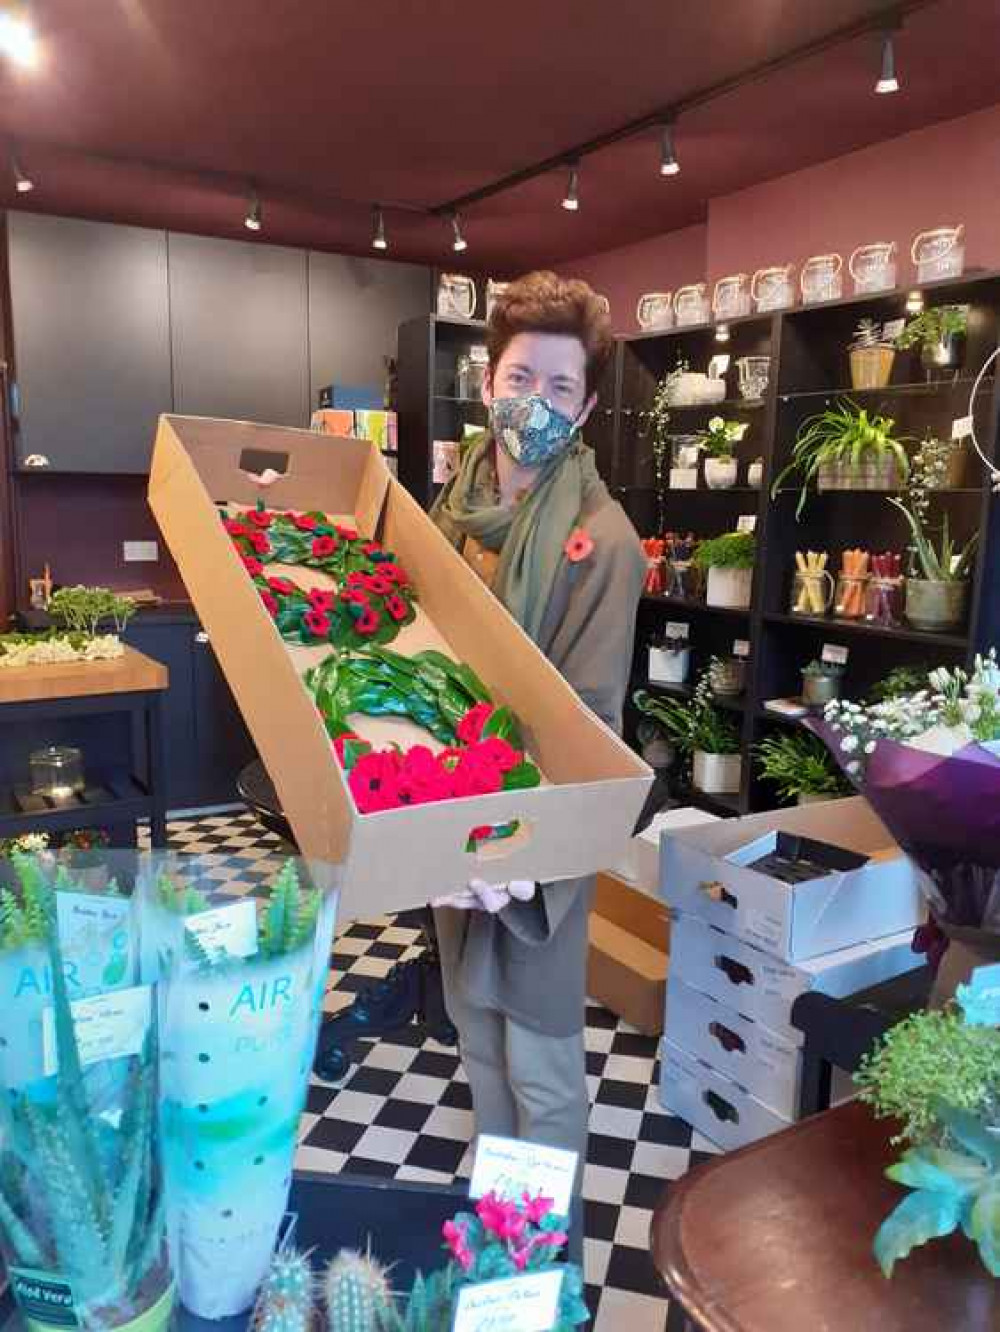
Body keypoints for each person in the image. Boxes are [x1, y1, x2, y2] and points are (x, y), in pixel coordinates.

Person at [430, 270, 646, 1168]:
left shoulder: (606, 542)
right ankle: (495, 1246)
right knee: (473, 1029)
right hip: (442, 810)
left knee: (541, 1055)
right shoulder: (448, 513)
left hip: (538, 839)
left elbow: (586, 721)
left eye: (560, 387)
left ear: (587, 406)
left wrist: (508, 847)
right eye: (520, 379)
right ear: (487, 385)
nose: (536, 402)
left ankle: (536, 1276)